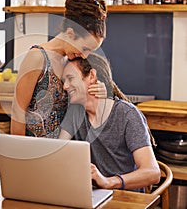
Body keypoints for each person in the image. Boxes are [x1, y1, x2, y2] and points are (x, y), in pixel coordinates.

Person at [11, 0, 108, 138]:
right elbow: (17, 112)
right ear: (70, 33)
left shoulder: (71, 63)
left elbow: (82, 106)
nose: (85, 56)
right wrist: (21, 155)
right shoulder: (37, 57)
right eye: (84, 49)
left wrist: (100, 91)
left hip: (62, 151)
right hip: (32, 152)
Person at [59, 53, 160, 191]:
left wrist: (108, 182)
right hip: (93, 196)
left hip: (126, 199)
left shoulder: (127, 115)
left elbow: (153, 173)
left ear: (92, 76)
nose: (65, 86)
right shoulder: (75, 113)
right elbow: (57, 150)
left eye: (70, 78)